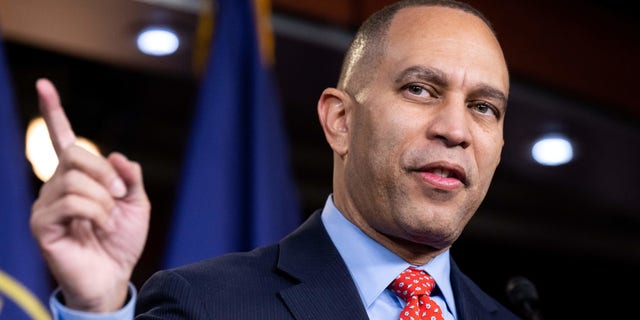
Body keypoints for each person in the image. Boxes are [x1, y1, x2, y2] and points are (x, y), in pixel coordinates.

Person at [30, 0, 519, 319]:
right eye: (419, 89)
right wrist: (96, 308)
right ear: (340, 121)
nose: (455, 130)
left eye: (483, 107)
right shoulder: (207, 305)